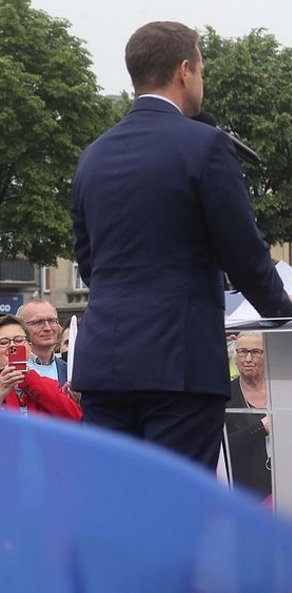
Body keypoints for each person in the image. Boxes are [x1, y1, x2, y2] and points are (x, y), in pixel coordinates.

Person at [71, 21, 292, 469]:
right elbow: (244, 255)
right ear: (185, 70)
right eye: (203, 71)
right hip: (180, 367)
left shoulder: (93, 155)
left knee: (118, 508)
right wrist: (284, 310)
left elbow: (89, 263)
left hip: (105, 367)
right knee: (176, 515)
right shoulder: (205, 145)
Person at [0, 315, 81, 420]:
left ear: (29, 347)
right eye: (4, 342)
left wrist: (31, 380)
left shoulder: (48, 384)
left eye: (19, 340)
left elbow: (75, 418)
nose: (12, 346)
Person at [224, 332, 271, 501]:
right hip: (245, 492)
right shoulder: (225, 395)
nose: (248, 359)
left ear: (268, 356)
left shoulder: (282, 389)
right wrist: (260, 428)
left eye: (256, 352)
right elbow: (223, 447)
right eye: (242, 351)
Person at [16, 298, 67, 386]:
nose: (48, 328)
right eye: (39, 322)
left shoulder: (69, 370)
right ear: (21, 327)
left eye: (52, 321)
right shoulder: (11, 371)